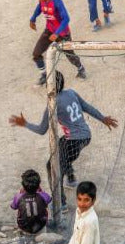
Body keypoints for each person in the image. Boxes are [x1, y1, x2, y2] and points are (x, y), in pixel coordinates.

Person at [8, 71, 118, 203]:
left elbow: (42, 130)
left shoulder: (53, 103)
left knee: (52, 167)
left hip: (73, 140)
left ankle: (61, 202)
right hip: (86, 136)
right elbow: (86, 107)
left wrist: (25, 123)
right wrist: (103, 118)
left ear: (50, 87)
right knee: (61, 147)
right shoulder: (71, 92)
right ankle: (71, 177)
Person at [30, 0, 87, 86]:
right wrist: (33, 18)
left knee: (69, 55)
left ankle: (81, 69)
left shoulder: (57, 2)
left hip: (62, 34)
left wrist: (57, 33)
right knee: (36, 53)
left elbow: (66, 19)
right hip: (49, 31)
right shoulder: (42, 1)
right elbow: (39, 8)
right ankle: (44, 75)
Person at [10, 169, 52, 235]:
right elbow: (49, 200)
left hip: (24, 227)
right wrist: (41, 192)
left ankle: (23, 235)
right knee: (46, 206)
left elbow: (13, 207)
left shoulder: (18, 196)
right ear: (38, 185)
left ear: (23, 186)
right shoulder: (43, 195)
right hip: (40, 227)